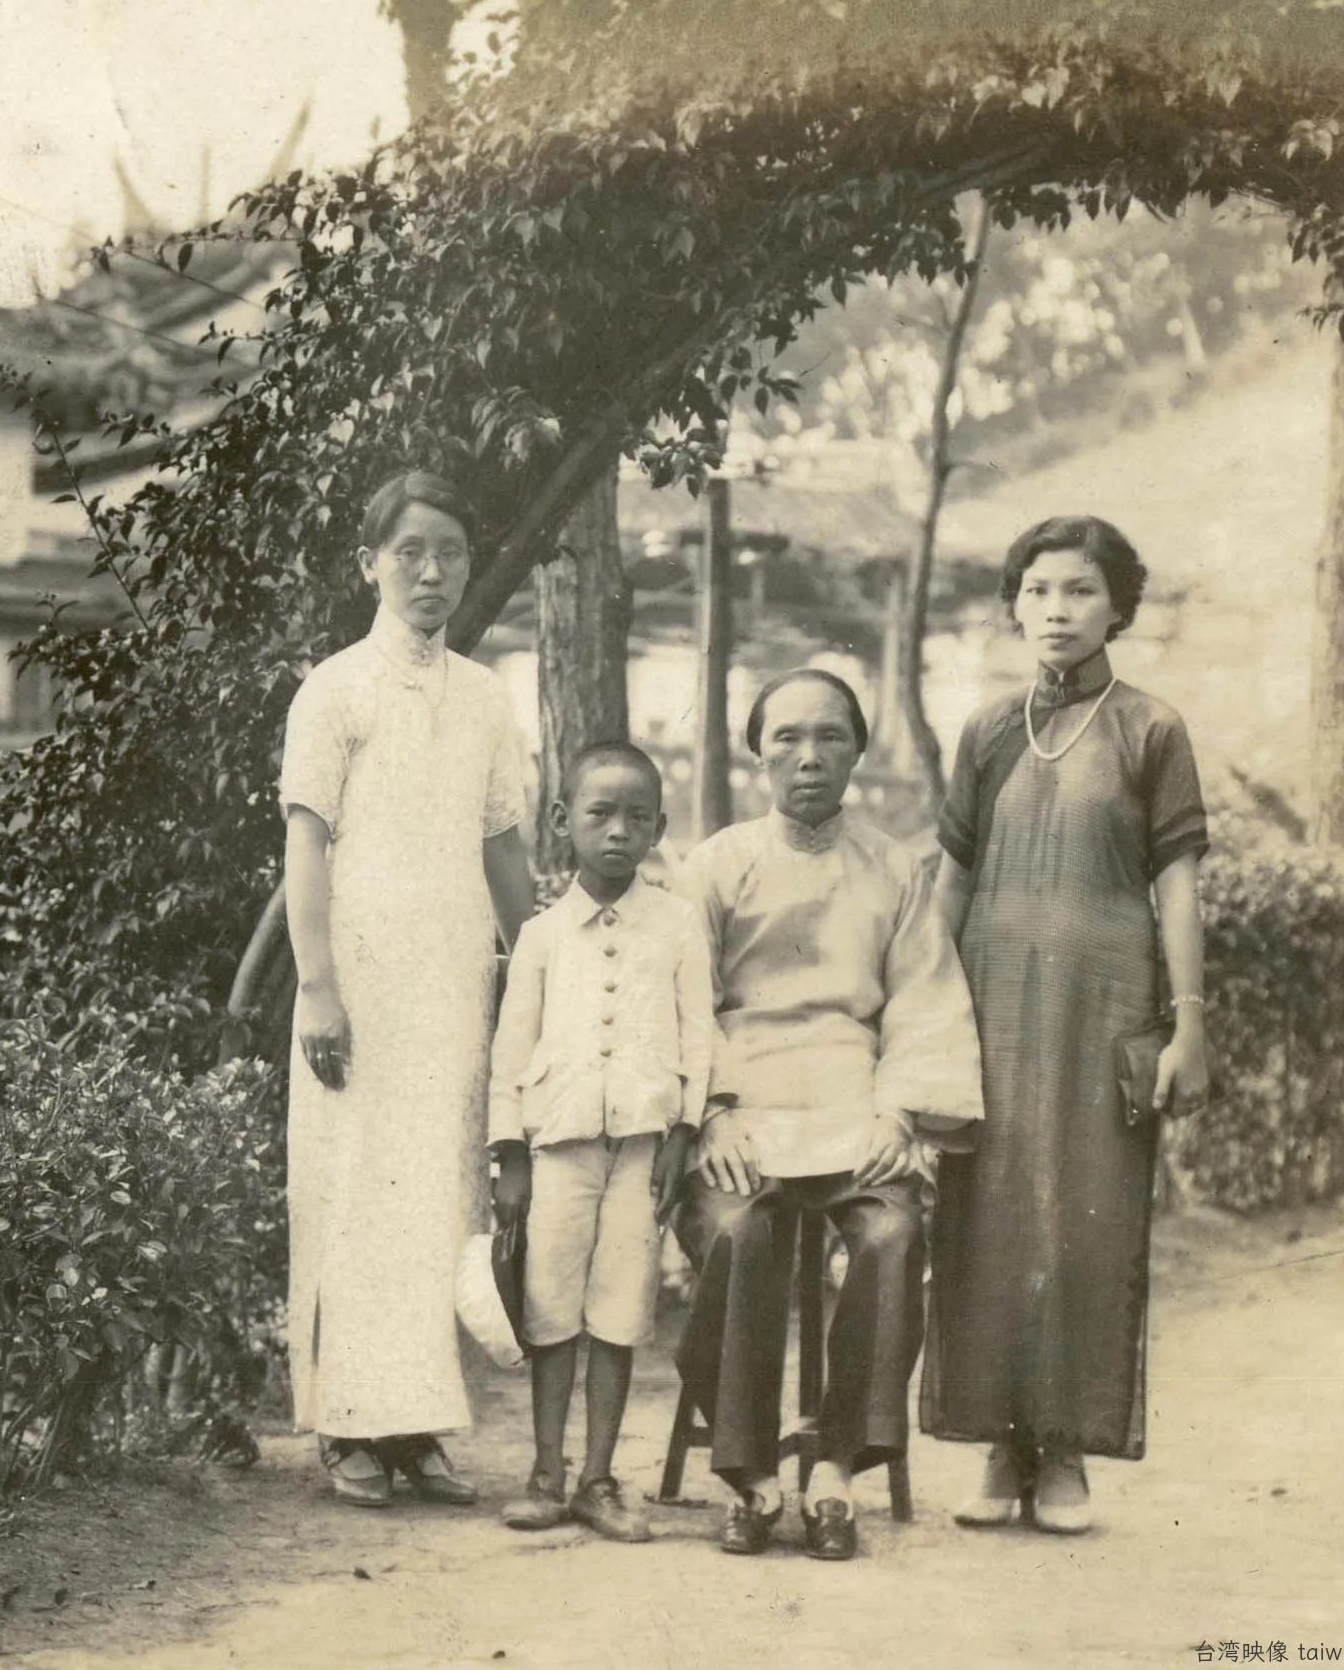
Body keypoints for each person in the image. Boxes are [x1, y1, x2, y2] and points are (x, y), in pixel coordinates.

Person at [922, 515, 1211, 1535]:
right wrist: (920, 1015)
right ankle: (1000, 1445)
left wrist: (1189, 1026)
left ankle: (1067, 1451)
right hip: (991, 1010)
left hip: (1106, 1011)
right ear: (1015, 604)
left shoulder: (1151, 730)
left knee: (1087, 1222)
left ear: (1117, 606)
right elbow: (952, 881)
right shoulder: (988, 731)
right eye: (1038, 589)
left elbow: (1178, 887)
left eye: (1080, 590)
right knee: (989, 1219)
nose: (1056, 609)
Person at [670, 670, 982, 1561]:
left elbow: (923, 998)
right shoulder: (716, 865)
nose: (809, 757)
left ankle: (837, 1469)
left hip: (855, 1105)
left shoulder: (895, 869)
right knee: (736, 1230)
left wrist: (899, 1114)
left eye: (831, 737)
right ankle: (753, 1478)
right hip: (742, 1103)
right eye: (787, 738)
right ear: (757, 753)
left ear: (856, 751)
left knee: (891, 1233)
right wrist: (713, 1112)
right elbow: (683, 1002)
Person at [281, 468, 536, 1508]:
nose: (432, 573)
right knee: (355, 1190)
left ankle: (418, 1424)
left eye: (451, 554)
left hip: (452, 981)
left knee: (438, 1193)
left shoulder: (485, 697)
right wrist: (317, 987)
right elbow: (306, 846)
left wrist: (538, 975)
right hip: (359, 979)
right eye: (410, 553)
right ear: (369, 565)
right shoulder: (334, 689)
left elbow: (505, 850)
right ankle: (348, 1423)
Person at [486, 741, 702, 1543]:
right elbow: (511, 1049)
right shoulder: (541, 935)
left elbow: (698, 1034)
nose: (618, 831)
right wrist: (510, 1154)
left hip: (641, 1151)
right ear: (561, 820)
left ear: (659, 829)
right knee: (550, 1310)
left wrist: (684, 1131)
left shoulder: (678, 926)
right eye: (600, 814)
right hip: (558, 1148)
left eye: (637, 818)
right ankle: (546, 1473)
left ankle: (598, 1479)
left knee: (620, 1308)